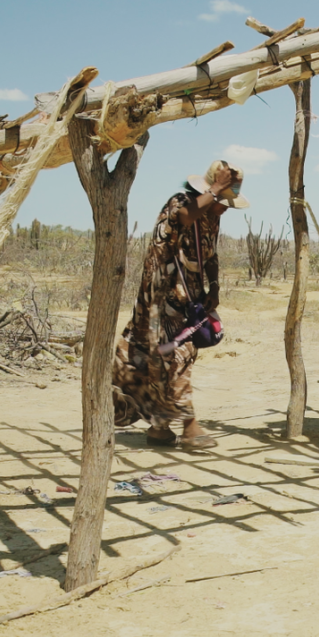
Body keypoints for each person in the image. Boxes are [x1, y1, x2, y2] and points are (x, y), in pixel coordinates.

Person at [113, 160, 248, 451]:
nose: (225, 207)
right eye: (223, 200)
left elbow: (210, 254)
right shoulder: (181, 202)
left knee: (164, 359)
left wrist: (214, 286)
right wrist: (215, 190)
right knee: (176, 356)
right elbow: (184, 218)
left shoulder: (212, 216)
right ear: (211, 190)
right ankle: (189, 427)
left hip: (189, 299)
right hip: (161, 297)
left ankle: (160, 428)